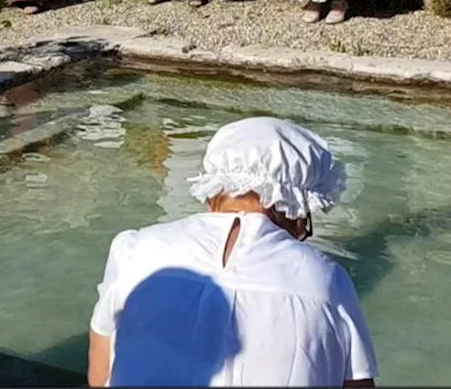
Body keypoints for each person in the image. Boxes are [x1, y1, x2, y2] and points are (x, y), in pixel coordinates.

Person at [88, 117, 378, 387]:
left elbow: (100, 376)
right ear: (297, 209)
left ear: (214, 189)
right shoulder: (325, 280)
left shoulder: (133, 250)